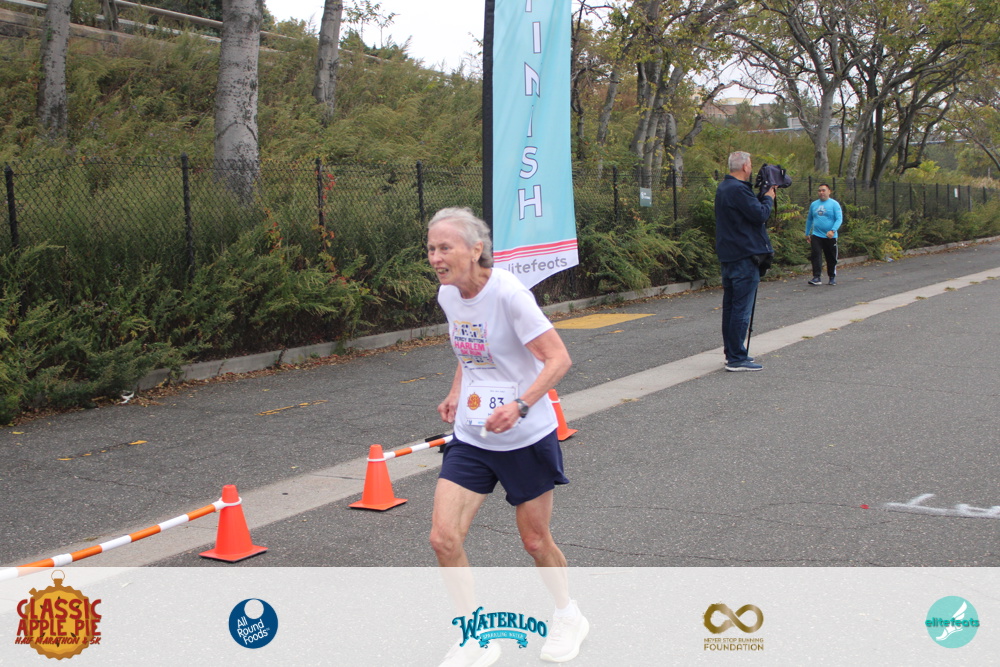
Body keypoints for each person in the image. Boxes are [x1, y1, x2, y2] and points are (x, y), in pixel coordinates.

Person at [426, 207, 588, 666]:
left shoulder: (509, 294)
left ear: (476, 249)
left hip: (525, 438)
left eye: (445, 247)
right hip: (473, 436)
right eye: (431, 249)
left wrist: (521, 405)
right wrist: (456, 391)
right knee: (443, 538)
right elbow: (470, 348)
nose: (436, 258)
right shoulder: (448, 295)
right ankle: (474, 635)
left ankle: (568, 614)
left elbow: (558, 359)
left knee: (535, 541)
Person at [715, 151, 775, 372]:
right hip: (744, 256)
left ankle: (732, 352)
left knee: (731, 308)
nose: (751, 168)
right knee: (741, 308)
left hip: (730, 255)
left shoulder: (724, 187)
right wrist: (768, 198)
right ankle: (736, 357)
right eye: (750, 164)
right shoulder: (738, 189)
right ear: (745, 167)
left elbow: (745, 214)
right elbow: (759, 215)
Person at [805, 183, 843, 286]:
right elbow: (809, 219)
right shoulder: (814, 204)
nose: (821, 192)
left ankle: (832, 277)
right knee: (816, 255)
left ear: (829, 191)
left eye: (823, 190)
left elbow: (839, 219)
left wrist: (833, 230)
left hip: (830, 236)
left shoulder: (834, 204)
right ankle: (816, 277)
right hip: (816, 235)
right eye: (819, 191)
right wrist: (807, 233)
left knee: (831, 257)